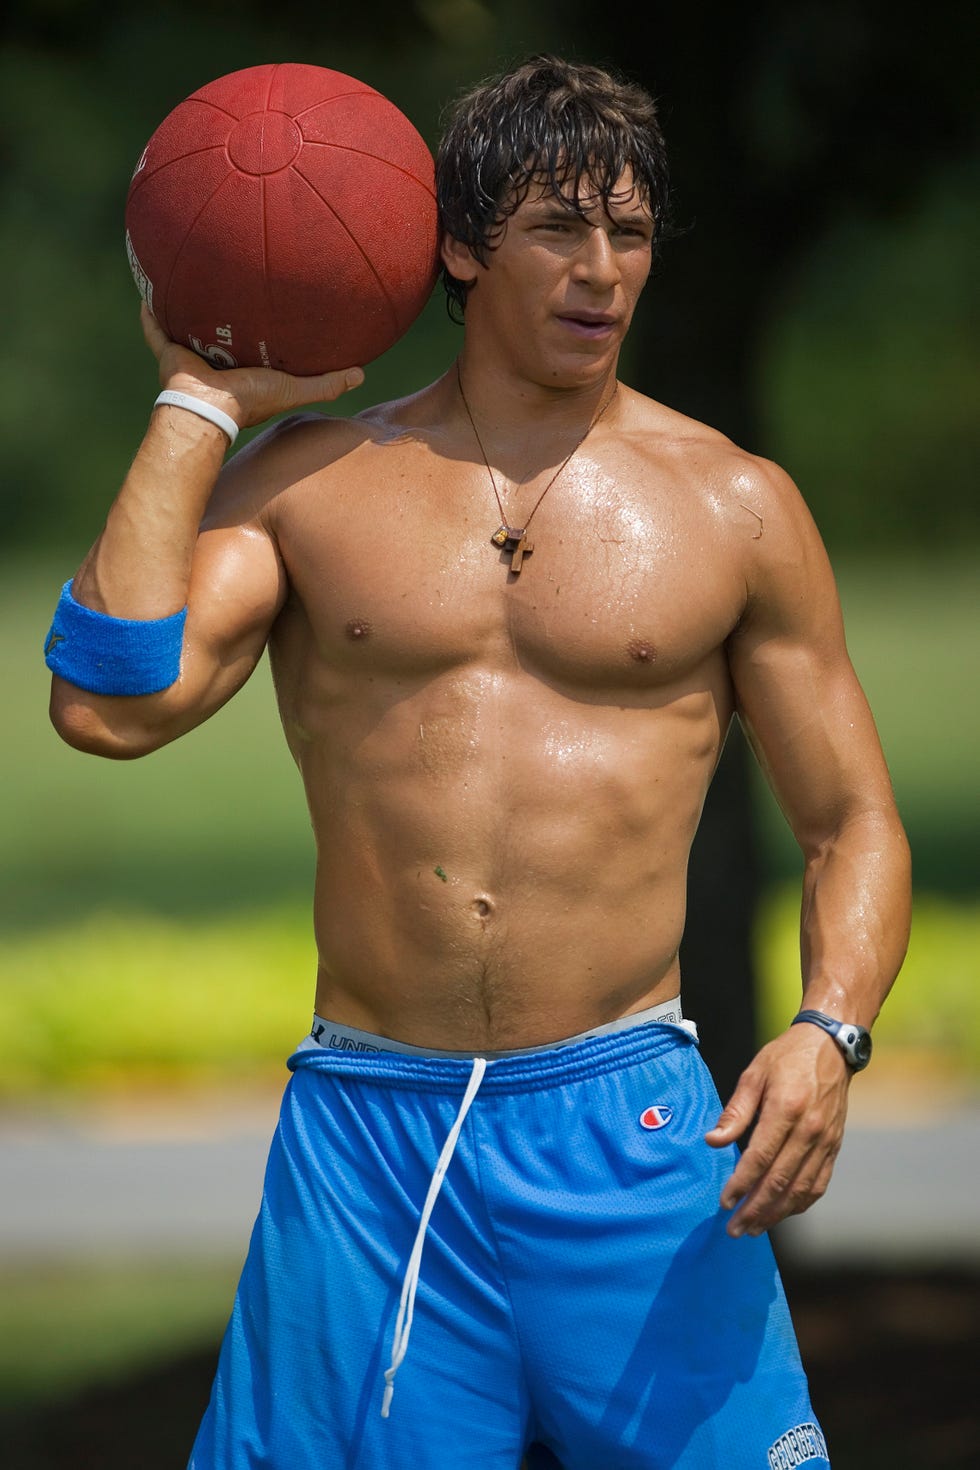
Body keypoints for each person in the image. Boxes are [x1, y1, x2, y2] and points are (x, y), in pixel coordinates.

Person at [46, 55, 910, 1470]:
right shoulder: (316, 479)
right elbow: (108, 701)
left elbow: (852, 821)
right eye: (558, 228)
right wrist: (198, 408)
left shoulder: (736, 506)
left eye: (628, 235)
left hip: (632, 1132)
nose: (602, 270)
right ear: (457, 243)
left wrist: (830, 1030)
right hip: (369, 1136)